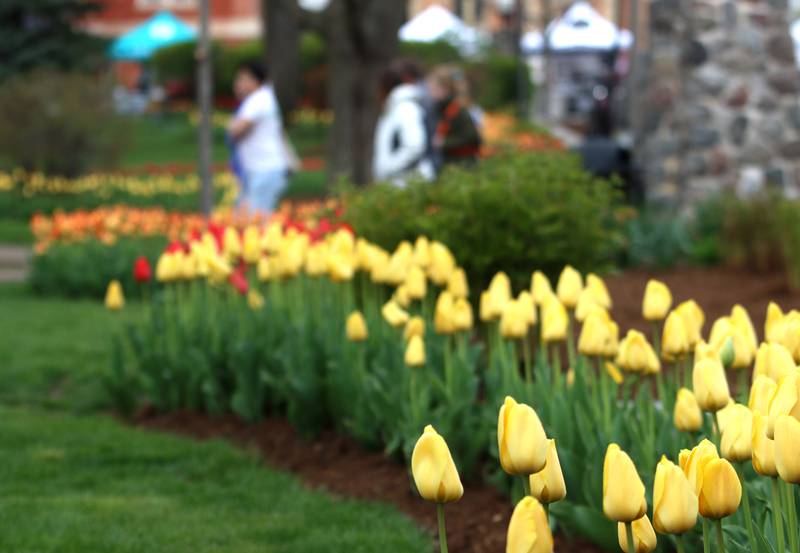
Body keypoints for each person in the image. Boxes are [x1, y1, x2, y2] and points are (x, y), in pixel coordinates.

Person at [227, 60, 297, 214]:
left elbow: (236, 130)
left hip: (265, 170)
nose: (237, 84)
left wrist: (231, 124)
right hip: (262, 170)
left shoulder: (258, 100)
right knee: (246, 218)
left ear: (254, 80)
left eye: (242, 79)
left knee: (253, 221)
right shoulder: (263, 97)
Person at [372, 66, 435, 186]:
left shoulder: (405, 109)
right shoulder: (396, 107)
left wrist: (387, 169)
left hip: (407, 185)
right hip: (402, 184)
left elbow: (414, 146)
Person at [427, 66, 482, 169]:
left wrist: (445, 143)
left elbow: (473, 138)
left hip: (463, 165)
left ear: (445, 89)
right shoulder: (440, 107)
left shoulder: (458, 110)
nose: (430, 93)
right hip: (451, 163)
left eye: (433, 89)